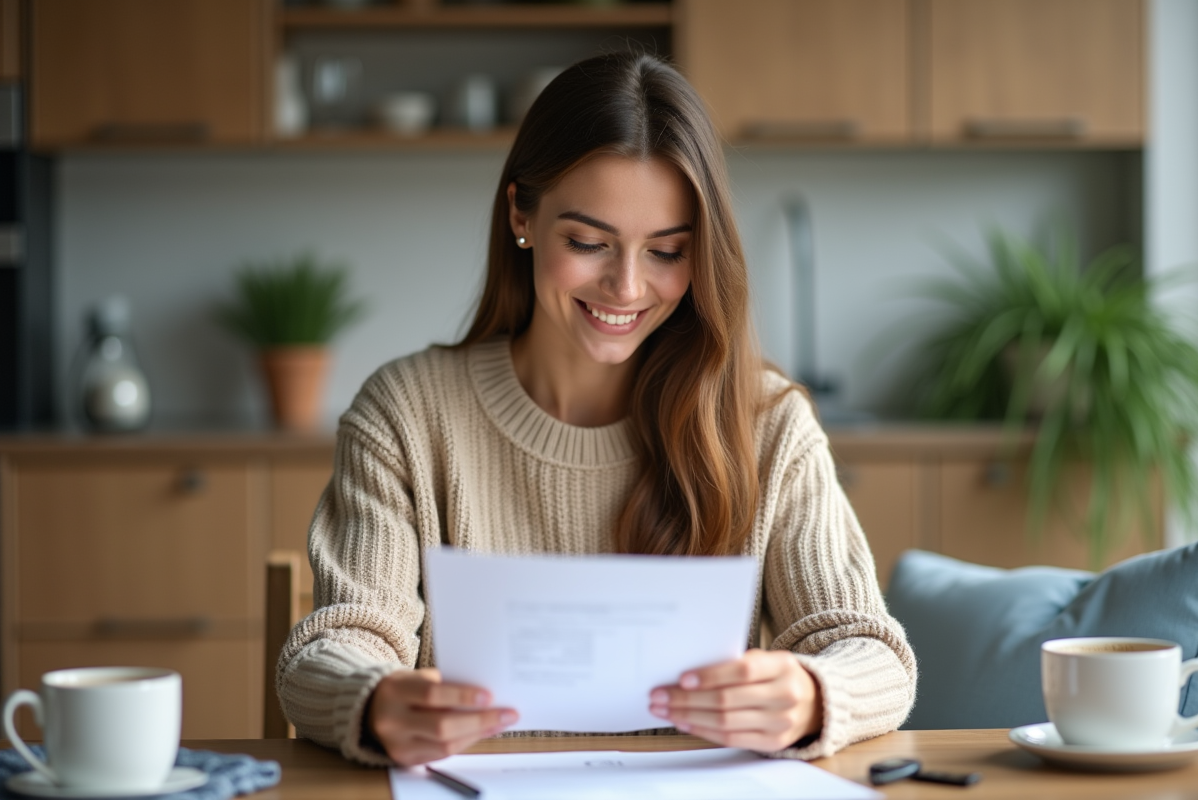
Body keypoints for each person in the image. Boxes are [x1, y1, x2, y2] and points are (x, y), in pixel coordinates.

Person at [276, 51, 916, 768]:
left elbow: (875, 654)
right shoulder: (406, 415)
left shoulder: (768, 423)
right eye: (588, 243)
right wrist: (373, 701)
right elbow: (333, 648)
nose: (627, 287)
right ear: (521, 212)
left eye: (668, 252)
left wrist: (810, 694)